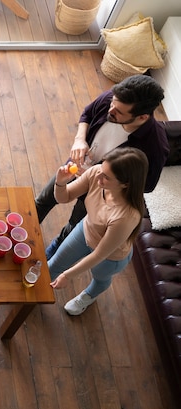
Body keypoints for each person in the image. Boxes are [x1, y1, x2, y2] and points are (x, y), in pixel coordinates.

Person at [36, 75, 169, 259]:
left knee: (75, 225)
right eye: (112, 102)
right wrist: (79, 140)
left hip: (99, 190)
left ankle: (57, 246)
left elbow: (147, 185)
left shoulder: (154, 148)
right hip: (73, 167)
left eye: (119, 111)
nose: (111, 109)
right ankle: (23, 229)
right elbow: (88, 113)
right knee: (43, 200)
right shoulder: (115, 101)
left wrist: (104, 176)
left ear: (142, 117)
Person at [48, 148, 147, 315]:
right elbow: (63, 198)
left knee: (100, 278)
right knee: (54, 265)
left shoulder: (126, 216)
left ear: (126, 184)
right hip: (86, 230)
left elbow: (99, 254)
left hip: (110, 256)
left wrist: (67, 276)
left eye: (107, 177)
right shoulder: (96, 173)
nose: (98, 176)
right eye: (102, 169)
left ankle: (89, 295)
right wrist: (60, 182)